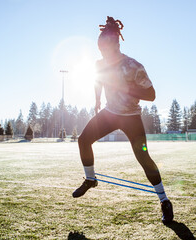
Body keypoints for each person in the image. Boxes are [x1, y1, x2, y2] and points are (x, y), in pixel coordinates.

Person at [72, 16, 173, 224]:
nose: (104, 55)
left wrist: (124, 88)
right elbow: (97, 79)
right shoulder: (100, 63)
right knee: (83, 140)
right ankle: (90, 179)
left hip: (131, 117)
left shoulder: (133, 66)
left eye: (107, 50)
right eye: (101, 50)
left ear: (117, 45)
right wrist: (97, 99)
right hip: (110, 113)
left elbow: (152, 94)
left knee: (143, 158)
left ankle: (164, 200)